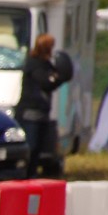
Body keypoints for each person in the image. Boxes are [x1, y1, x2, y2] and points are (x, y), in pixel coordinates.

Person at [14, 33, 64, 178]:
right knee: (31, 147)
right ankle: (25, 175)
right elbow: (45, 82)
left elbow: (51, 82)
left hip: (41, 113)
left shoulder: (45, 64)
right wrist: (57, 78)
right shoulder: (34, 63)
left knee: (38, 149)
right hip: (30, 113)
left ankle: (32, 174)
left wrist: (58, 77)